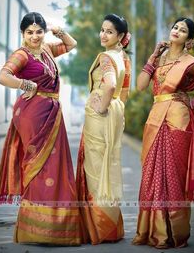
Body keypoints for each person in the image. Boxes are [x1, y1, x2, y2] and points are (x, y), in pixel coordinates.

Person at [0, 12, 80, 245]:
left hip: (51, 112)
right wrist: (23, 83)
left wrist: (57, 30)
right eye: (29, 32)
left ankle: (53, 227)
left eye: (38, 31)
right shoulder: (21, 55)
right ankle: (36, 229)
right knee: (39, 166)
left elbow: (72, 44)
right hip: (33, 114)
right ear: (23, 34)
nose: (34, 36)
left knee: (54, 166)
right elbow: (3, 76)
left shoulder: (47, 49)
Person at [132, 17, 194, 249]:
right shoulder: (159, 59)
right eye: (175, 27)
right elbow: (140, 86)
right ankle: (152, 231)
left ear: (189, 39)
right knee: (151, 173)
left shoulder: (190, 62)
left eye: (183, 30)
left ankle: (174, 233)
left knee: (173, 177)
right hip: (155, 118)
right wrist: (152, 56)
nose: (177, 31)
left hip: (177, 120)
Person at [76, 14, 131, 244]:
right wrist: (115, 108)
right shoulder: (123, 57)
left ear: (120, 36)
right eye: (102, 29)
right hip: (116, 112)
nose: (103, 34)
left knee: (96, 168)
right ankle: (110, 227)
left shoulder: (107, 58)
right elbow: (124, 90)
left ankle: (98, 228)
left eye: (109, 31)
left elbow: (109, 84)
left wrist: (101, 107)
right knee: (108, 165)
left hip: (101, 115)